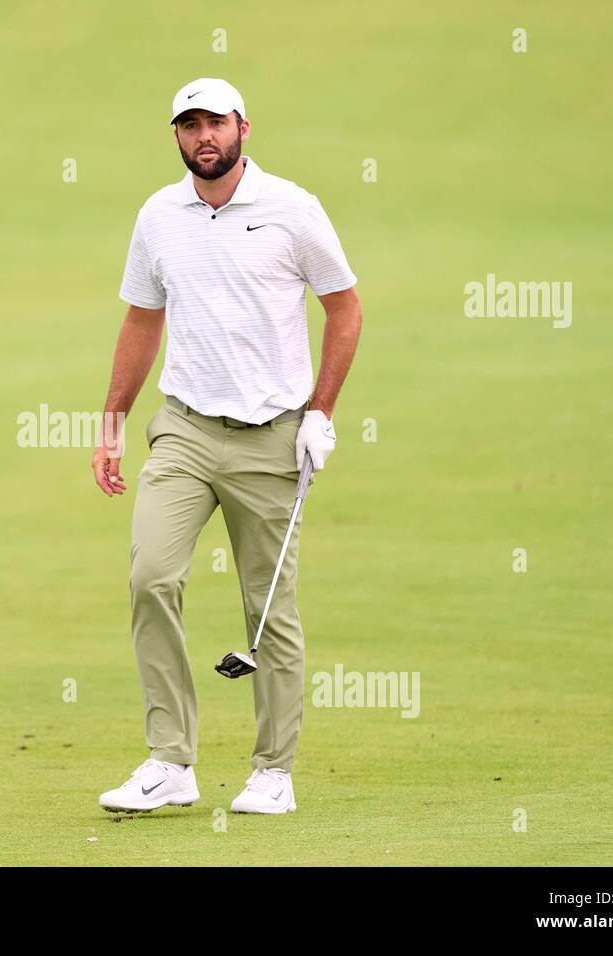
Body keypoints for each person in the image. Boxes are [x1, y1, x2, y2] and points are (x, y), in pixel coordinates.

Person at [92, 77, 363, 814]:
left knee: (267, 609)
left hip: (272, 437)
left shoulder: (292, 210)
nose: (203, 136)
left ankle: (273, 771)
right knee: (151, 576)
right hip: (183, 429)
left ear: (243, 127)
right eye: (189, 126)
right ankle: (170, 762)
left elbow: (343, 309)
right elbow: (142, 319)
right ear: (176, 137)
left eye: (215, 122)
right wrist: (114, 419)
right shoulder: (158, 216)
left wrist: (321, 412)